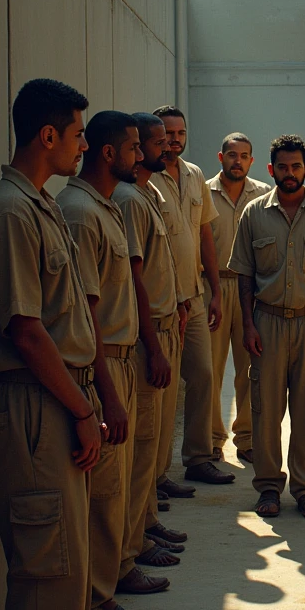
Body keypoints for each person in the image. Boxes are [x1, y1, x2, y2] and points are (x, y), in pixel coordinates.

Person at [0, 78, 120, 610]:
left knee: (66, 568)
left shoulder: (39, 207)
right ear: (48, 136)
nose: (85, 144)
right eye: (77, 133)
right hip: (33, 405)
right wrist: (83, 409)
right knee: (45, 571)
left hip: (56, 401)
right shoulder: (8, 213)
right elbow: (27, 333)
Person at [58, 111, 156, 610]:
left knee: (114, 494)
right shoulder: (79, 212)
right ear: (107, 153)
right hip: (104, 363)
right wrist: (106, 392)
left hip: (120, 357)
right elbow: (85, 312)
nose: (140, 156)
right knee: (102, 497)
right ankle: (93, 608)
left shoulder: (103, 206)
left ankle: (105, 593)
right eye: (134, 148)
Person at [229, 134, 305, 519]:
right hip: (267, 322)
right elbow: (244, 275)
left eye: (296, 166)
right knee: (265, 412)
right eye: (282, 166)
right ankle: (267, 487)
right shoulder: (253, 213)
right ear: (271, 170)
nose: (290, 173)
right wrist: (248, 324)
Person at [114, 113, 188, 582]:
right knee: (140, 451)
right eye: (159, 142)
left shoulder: (148, 192)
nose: (168, 148)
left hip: (162, 327)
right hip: (145, 337)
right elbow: (135, 279)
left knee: (153, 446)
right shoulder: (129, 200)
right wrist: (154, 345)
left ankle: (146, 525)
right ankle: (132, 547)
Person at [152, 106, 234, 485]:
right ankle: (155, 474)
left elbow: (206, 236)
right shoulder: (143, 182)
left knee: (202, 375)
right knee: (161, 390)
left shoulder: (195, 175)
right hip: (160, 304)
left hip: (195, 297)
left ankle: (199, 458)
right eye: (168, 133)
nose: (175, 139)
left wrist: (216, 290)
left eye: (180, 133)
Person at [206, 133, 271, 462]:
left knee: (250, 368)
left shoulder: (262, 194)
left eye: (244, 155)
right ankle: (213, 439)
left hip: (251, 289)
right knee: (211, 369)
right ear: (221, 157)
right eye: (232, 154)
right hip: (213, 288)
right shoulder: (203, 192)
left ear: (251, 160)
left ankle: (246, 438)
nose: (238, 161)